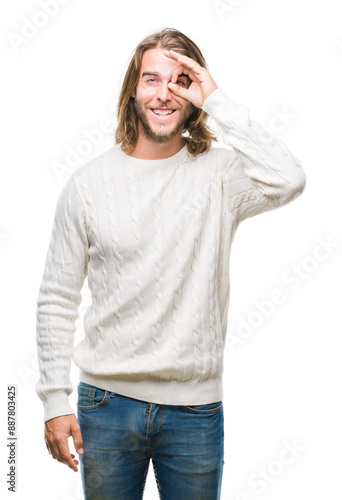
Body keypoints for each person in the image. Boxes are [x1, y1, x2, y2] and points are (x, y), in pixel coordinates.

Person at [36, 27, 306, 499]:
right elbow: (57, 298)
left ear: (195, 92)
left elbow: (289, 179)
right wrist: (53, 402)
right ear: (133, 90)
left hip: (194, 411)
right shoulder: (88, 184)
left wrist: (218, 100)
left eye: (180, 81)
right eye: (151, 79)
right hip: (106, 405)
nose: (164, 94)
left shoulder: (221, 175)